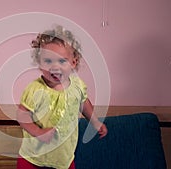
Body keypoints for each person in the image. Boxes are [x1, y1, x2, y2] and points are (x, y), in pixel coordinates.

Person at [16, 25, 108, 169]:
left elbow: (83, 103)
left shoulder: (77, 85)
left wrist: (95, 122)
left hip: (63, 159)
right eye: (48, 61)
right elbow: (22, 115)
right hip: (33, 158)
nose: (55, 66)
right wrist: (38, 132)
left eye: (62, 61)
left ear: (73, 62)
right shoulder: (36, 89)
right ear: (39, 63)